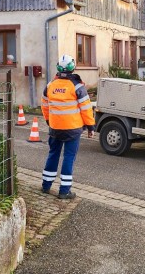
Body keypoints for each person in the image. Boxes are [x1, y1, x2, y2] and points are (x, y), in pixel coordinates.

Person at [41, 54, 95, 199]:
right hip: (73, 129)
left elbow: (45, 105)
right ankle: (64, 191)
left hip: (55, 128)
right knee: (69, 157)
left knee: (53, 154)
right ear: (73, 68)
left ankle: (46, 185)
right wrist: (90, 127)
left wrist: (48, 120)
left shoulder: (50, 86)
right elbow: (86, 108)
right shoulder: (78, 86)